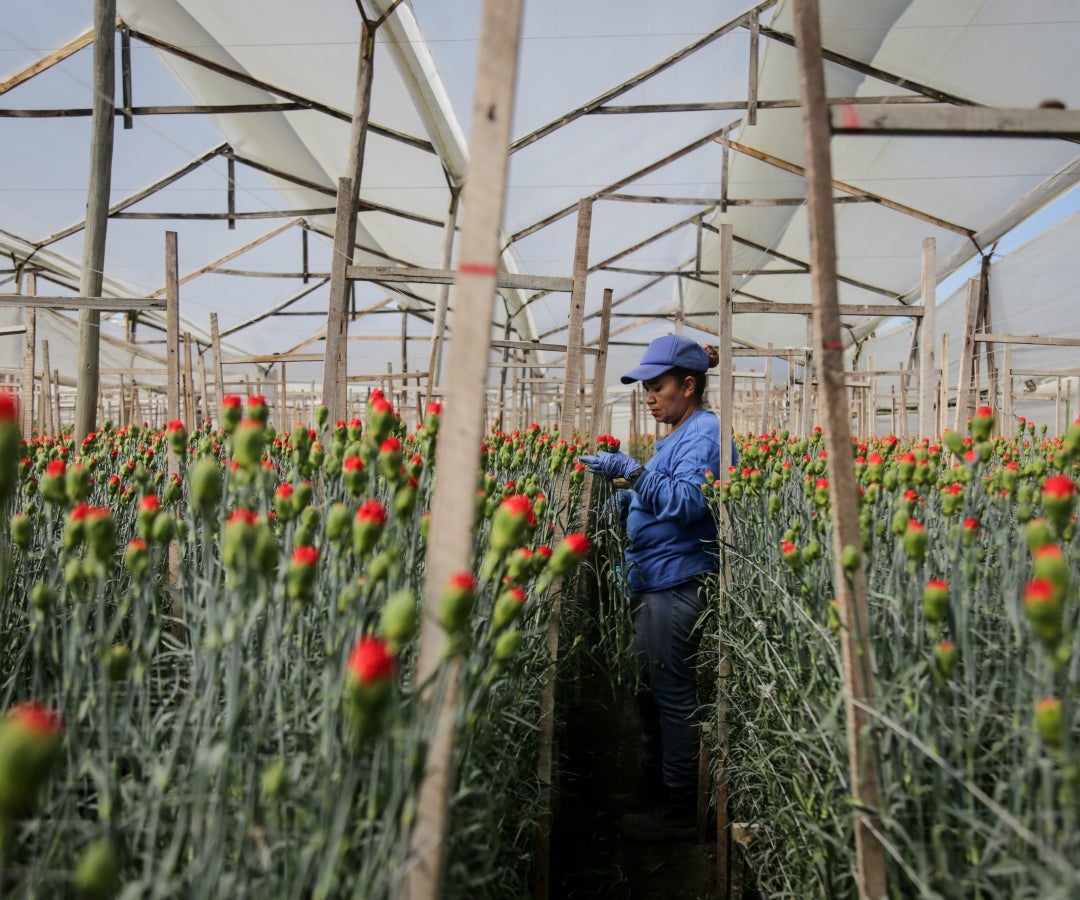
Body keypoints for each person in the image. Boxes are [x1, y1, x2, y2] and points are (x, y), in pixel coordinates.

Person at [580, 333, 725, 842]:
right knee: (647, 692)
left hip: (676, 582)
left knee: (672, 695)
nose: (648, 397)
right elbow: (666, 497)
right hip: (652, 579)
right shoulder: (678, 433)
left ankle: (680, 807)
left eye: (656, 386)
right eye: (644, 388)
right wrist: (630, 504)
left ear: (688, 385)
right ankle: (653, 785)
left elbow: (689, 502)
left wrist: (634, 475)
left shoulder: (704, 432)